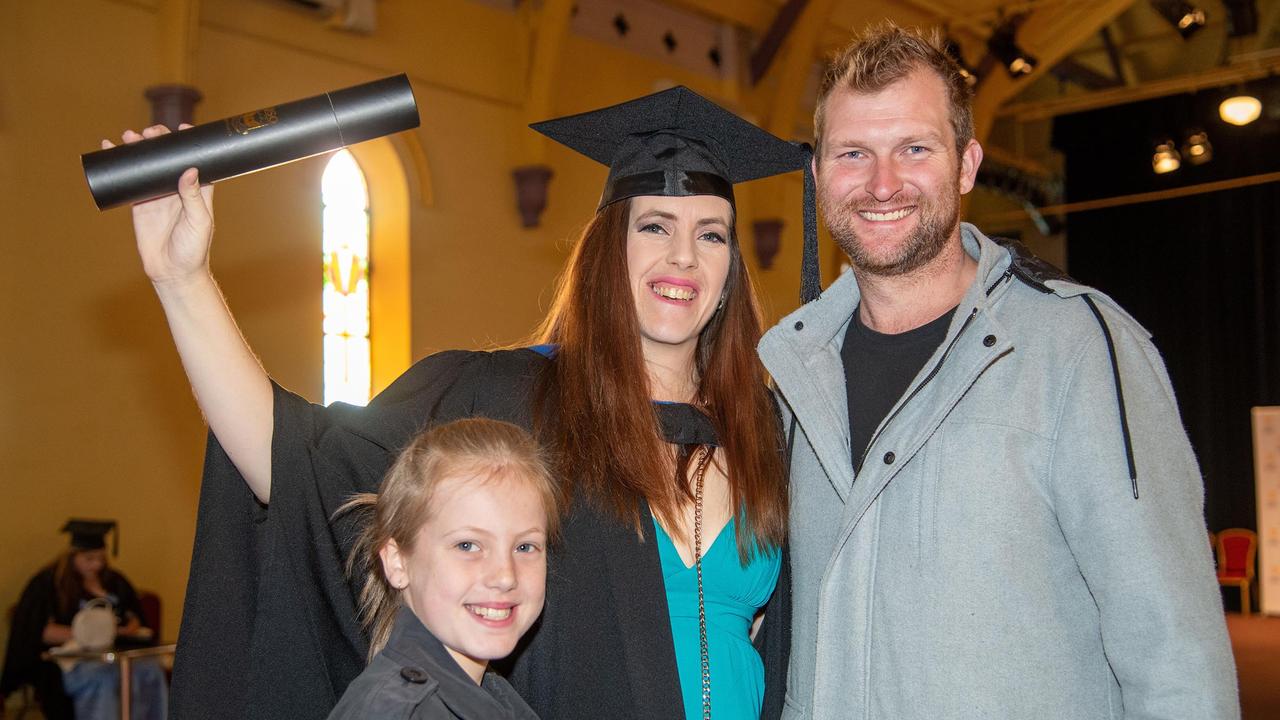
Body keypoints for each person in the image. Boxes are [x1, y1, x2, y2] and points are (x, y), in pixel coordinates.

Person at [106, 86, 804, 719]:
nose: (683, 256)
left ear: (731, 267)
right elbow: (297, 466)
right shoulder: (510, 398)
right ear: (606, 250)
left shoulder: (767, 429)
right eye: (654, 225)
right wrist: (182, 279)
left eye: (711, 233)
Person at [757, 23, 1241, 720]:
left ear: (966, 165)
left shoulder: (1079, 350)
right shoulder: (793, 377)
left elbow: (1176, 662)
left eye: (914, 148)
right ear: (817, 173)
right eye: (853, 153)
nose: (882, 182)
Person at [327, 418, 553, 720]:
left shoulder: (496, 699)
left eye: (525, 547)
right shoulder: (397, 712)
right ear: (397, 561)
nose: (505, 576)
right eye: (468, 546)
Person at [1, 520, 168, 720]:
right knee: (103, 679)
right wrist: (91, 636)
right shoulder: (48, 583)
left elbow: (135, 618)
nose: (96, 565)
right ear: (73, 556)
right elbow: (38, 630)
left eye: (101, 558)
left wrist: (125, 629)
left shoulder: (113, 580)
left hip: (115, 654)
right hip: (71, 659)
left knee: (150, 670)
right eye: (89, 559)